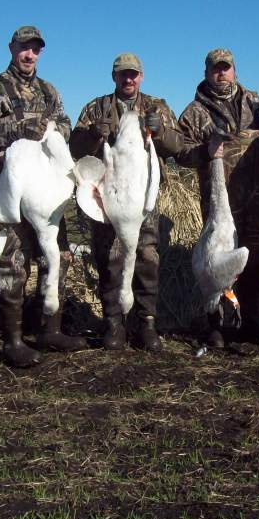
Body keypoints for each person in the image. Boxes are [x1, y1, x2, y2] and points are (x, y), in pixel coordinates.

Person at [0, 25, 86, 368]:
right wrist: (17, 130)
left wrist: (52, 132)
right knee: (14, 265)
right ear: (11, 47)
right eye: (23, 47)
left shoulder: (49, 91)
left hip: (46, 194)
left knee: (56, 258)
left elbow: (65, 124)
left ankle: (50, 329)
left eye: (35, 49)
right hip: (11, 193)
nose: (29, 54)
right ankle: (13, 341)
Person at [70, 53, 185, 351]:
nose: (128, 79)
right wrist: (94, 134)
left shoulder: (155, 107)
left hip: (142, 200)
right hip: (107, 201)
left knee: (147, 257)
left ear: (141, 76)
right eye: (123, 74)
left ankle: (146, 323)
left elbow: (178, 146)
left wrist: (159, 131)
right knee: (109, 259)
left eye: (133, 74)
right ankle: (113, 324)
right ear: (114, 77)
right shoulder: (96, 108)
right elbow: (76, 147)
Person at [178, 48, 259, 347]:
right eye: (215, 69)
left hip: (257, 196)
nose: (222, 73)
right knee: (216, 263)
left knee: (256, 259)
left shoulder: (256, 104)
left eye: (226, 68)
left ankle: (250, 321)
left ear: (234, 70)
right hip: (219, 201)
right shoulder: (195, 112)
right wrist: (203, 152)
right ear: (207, 72)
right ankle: (217, 325)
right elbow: (180, 152)